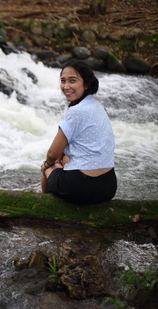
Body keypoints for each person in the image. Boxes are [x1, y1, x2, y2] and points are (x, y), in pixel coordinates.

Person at [40, 60, 117, 204]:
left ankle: (42, 197)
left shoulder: (76, 111)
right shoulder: (98, 107)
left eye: (72, 81)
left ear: (86, 84)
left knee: (49, 165)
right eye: (63, 81)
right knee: (64, 160)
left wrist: (48, 165)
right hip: (108, 187)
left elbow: (52, 154)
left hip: (79, 188)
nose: (66, 86)